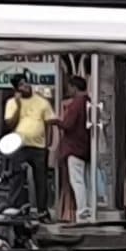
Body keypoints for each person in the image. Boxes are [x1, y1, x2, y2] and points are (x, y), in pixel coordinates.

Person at [3, 74, 56, 211]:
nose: (25, 86)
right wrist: (19, 106)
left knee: (41, 180)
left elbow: (49, 123)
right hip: (19, 146)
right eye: (21, 84)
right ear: (17, 89)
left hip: (39, 146)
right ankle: (14, 208)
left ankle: (42, 211)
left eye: (26, 82)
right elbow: (10, 124)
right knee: (17, 177)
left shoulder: (42, 102)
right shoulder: (11, 103)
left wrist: (48, 144)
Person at [51, 78, 91, 222]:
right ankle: (87, 210)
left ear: (74, 87)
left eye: (69, 87)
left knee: (77, 181)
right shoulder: (89, 101)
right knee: (85, 180)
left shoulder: (77, 104)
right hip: (86, 147)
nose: (68, 91)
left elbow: (68, 125)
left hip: (74, 148)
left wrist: (55, 121)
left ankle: (82, 212)